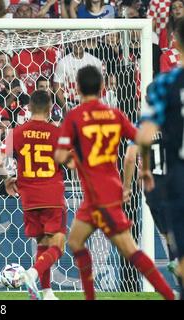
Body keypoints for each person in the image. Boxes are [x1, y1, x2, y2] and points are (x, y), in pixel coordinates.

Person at [54, 65, 174, 300]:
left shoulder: (75, 117)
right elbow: (141, 139)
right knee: (75, 241)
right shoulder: (114, 114)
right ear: (103, 87)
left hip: (101, 195)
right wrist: (146, 169)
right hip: (105, 191)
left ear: (76, 88)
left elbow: (59, 157)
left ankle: (169, 296)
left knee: (129, 250)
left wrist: (73, 154)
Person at [0, 90, 65, 300]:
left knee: (43, 243)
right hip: (52, 195)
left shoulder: (16, 132)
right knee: (58, 244)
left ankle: (46, 292)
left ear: (28, 108)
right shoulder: (56, 133)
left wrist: (8, 179)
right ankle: (32, 274)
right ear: (49, 108)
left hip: (28, 198)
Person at [137, 17, 184, 299]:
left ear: (175, 42)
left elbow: (141, 141)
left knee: (176, 248)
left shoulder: (164, 85)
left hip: (168, 182)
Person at [123, 130, 180, 279]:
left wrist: (127, 188)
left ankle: (175, 260)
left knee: (168, 234)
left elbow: (129, 158)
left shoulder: (142, 127)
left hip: (152, 189)